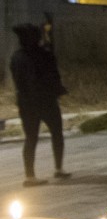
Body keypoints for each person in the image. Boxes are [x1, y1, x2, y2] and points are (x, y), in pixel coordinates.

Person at [10, 23, 69, 187]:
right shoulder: (44, 54)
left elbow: (20, 82)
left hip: (27, 104)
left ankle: (30, 176)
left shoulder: (17, 57)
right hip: (46, 102)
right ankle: (58, 168)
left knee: (31, 138)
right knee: (56, 133)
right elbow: (52, 76)